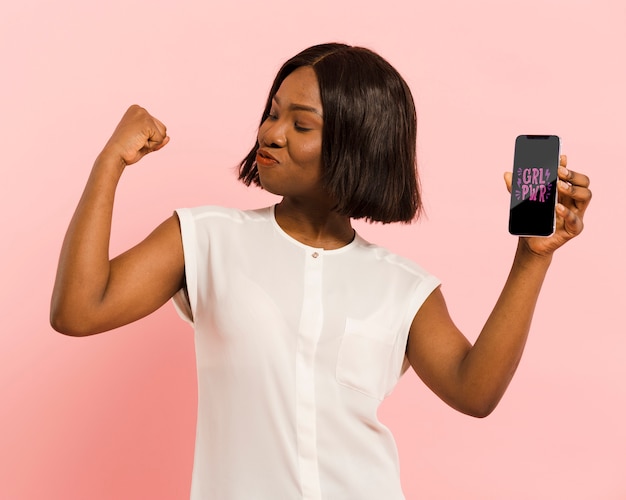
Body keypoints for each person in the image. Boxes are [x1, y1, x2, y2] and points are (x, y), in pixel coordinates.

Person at [50, 43, 592, 499]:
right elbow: (78, 309)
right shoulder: (205, 238)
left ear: (356, 147)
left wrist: (532, 257)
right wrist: (109, 163)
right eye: (272, 111)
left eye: (300, 123)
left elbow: (474, 393)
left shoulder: (403, 287)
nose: (272, 132)